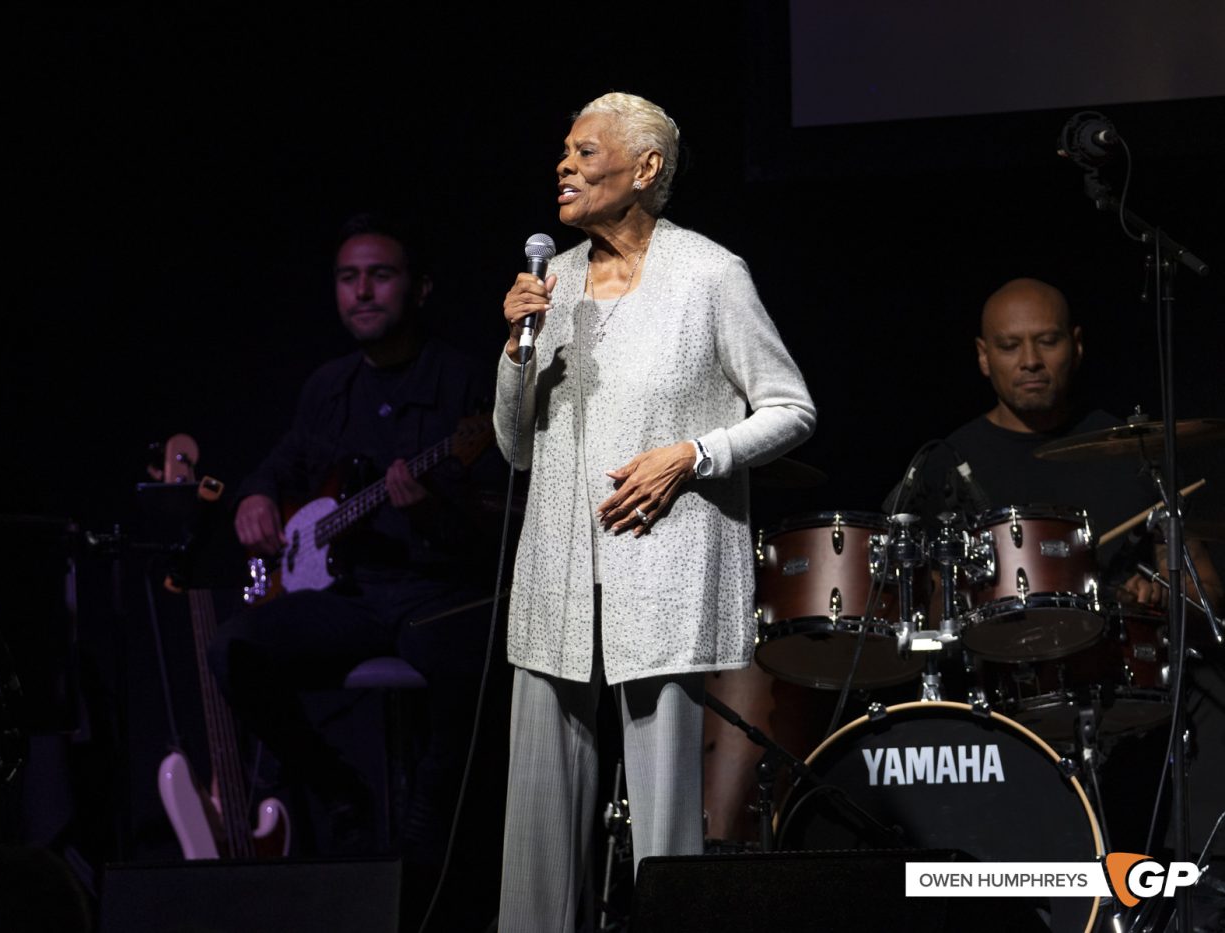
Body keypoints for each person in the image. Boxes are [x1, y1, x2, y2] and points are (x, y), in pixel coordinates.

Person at [493, 91, 816, 929]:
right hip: (553, 580)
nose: (564, 165)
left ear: (645, 170)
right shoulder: (551, 279)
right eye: (563, 150)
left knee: (664, 830)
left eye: (586, 151)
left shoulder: (710, 274)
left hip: (660, 575)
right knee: (535, 829)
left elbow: (790, 407)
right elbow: (516, 447)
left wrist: (694, 454)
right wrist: (511, 353)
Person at [208, 214, 504, 880]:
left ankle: (433, 817)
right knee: (234, 647)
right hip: (354, 595)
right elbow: (282, 464)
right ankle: (339, 790)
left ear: (420, 288)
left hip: (440, 589)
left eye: (380, 275)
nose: (362, 292)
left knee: (459, 646)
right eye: (348, 278)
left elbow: (501, 519)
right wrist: (254, 495)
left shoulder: (465, 383)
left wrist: (431, 513)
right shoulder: (328, 387)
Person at [897, 275, 1225, 858]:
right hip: (997, 695)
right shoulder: (947, 465)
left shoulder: (1133, 453)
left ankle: (1199, 899)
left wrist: (1159, 594)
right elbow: (907, 599)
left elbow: (1206, 593)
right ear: (981, 356)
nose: (1030, 361)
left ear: (1076, 344)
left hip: (1124, 691)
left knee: (1214, 695)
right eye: (1009, 346)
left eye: (1047, 341)